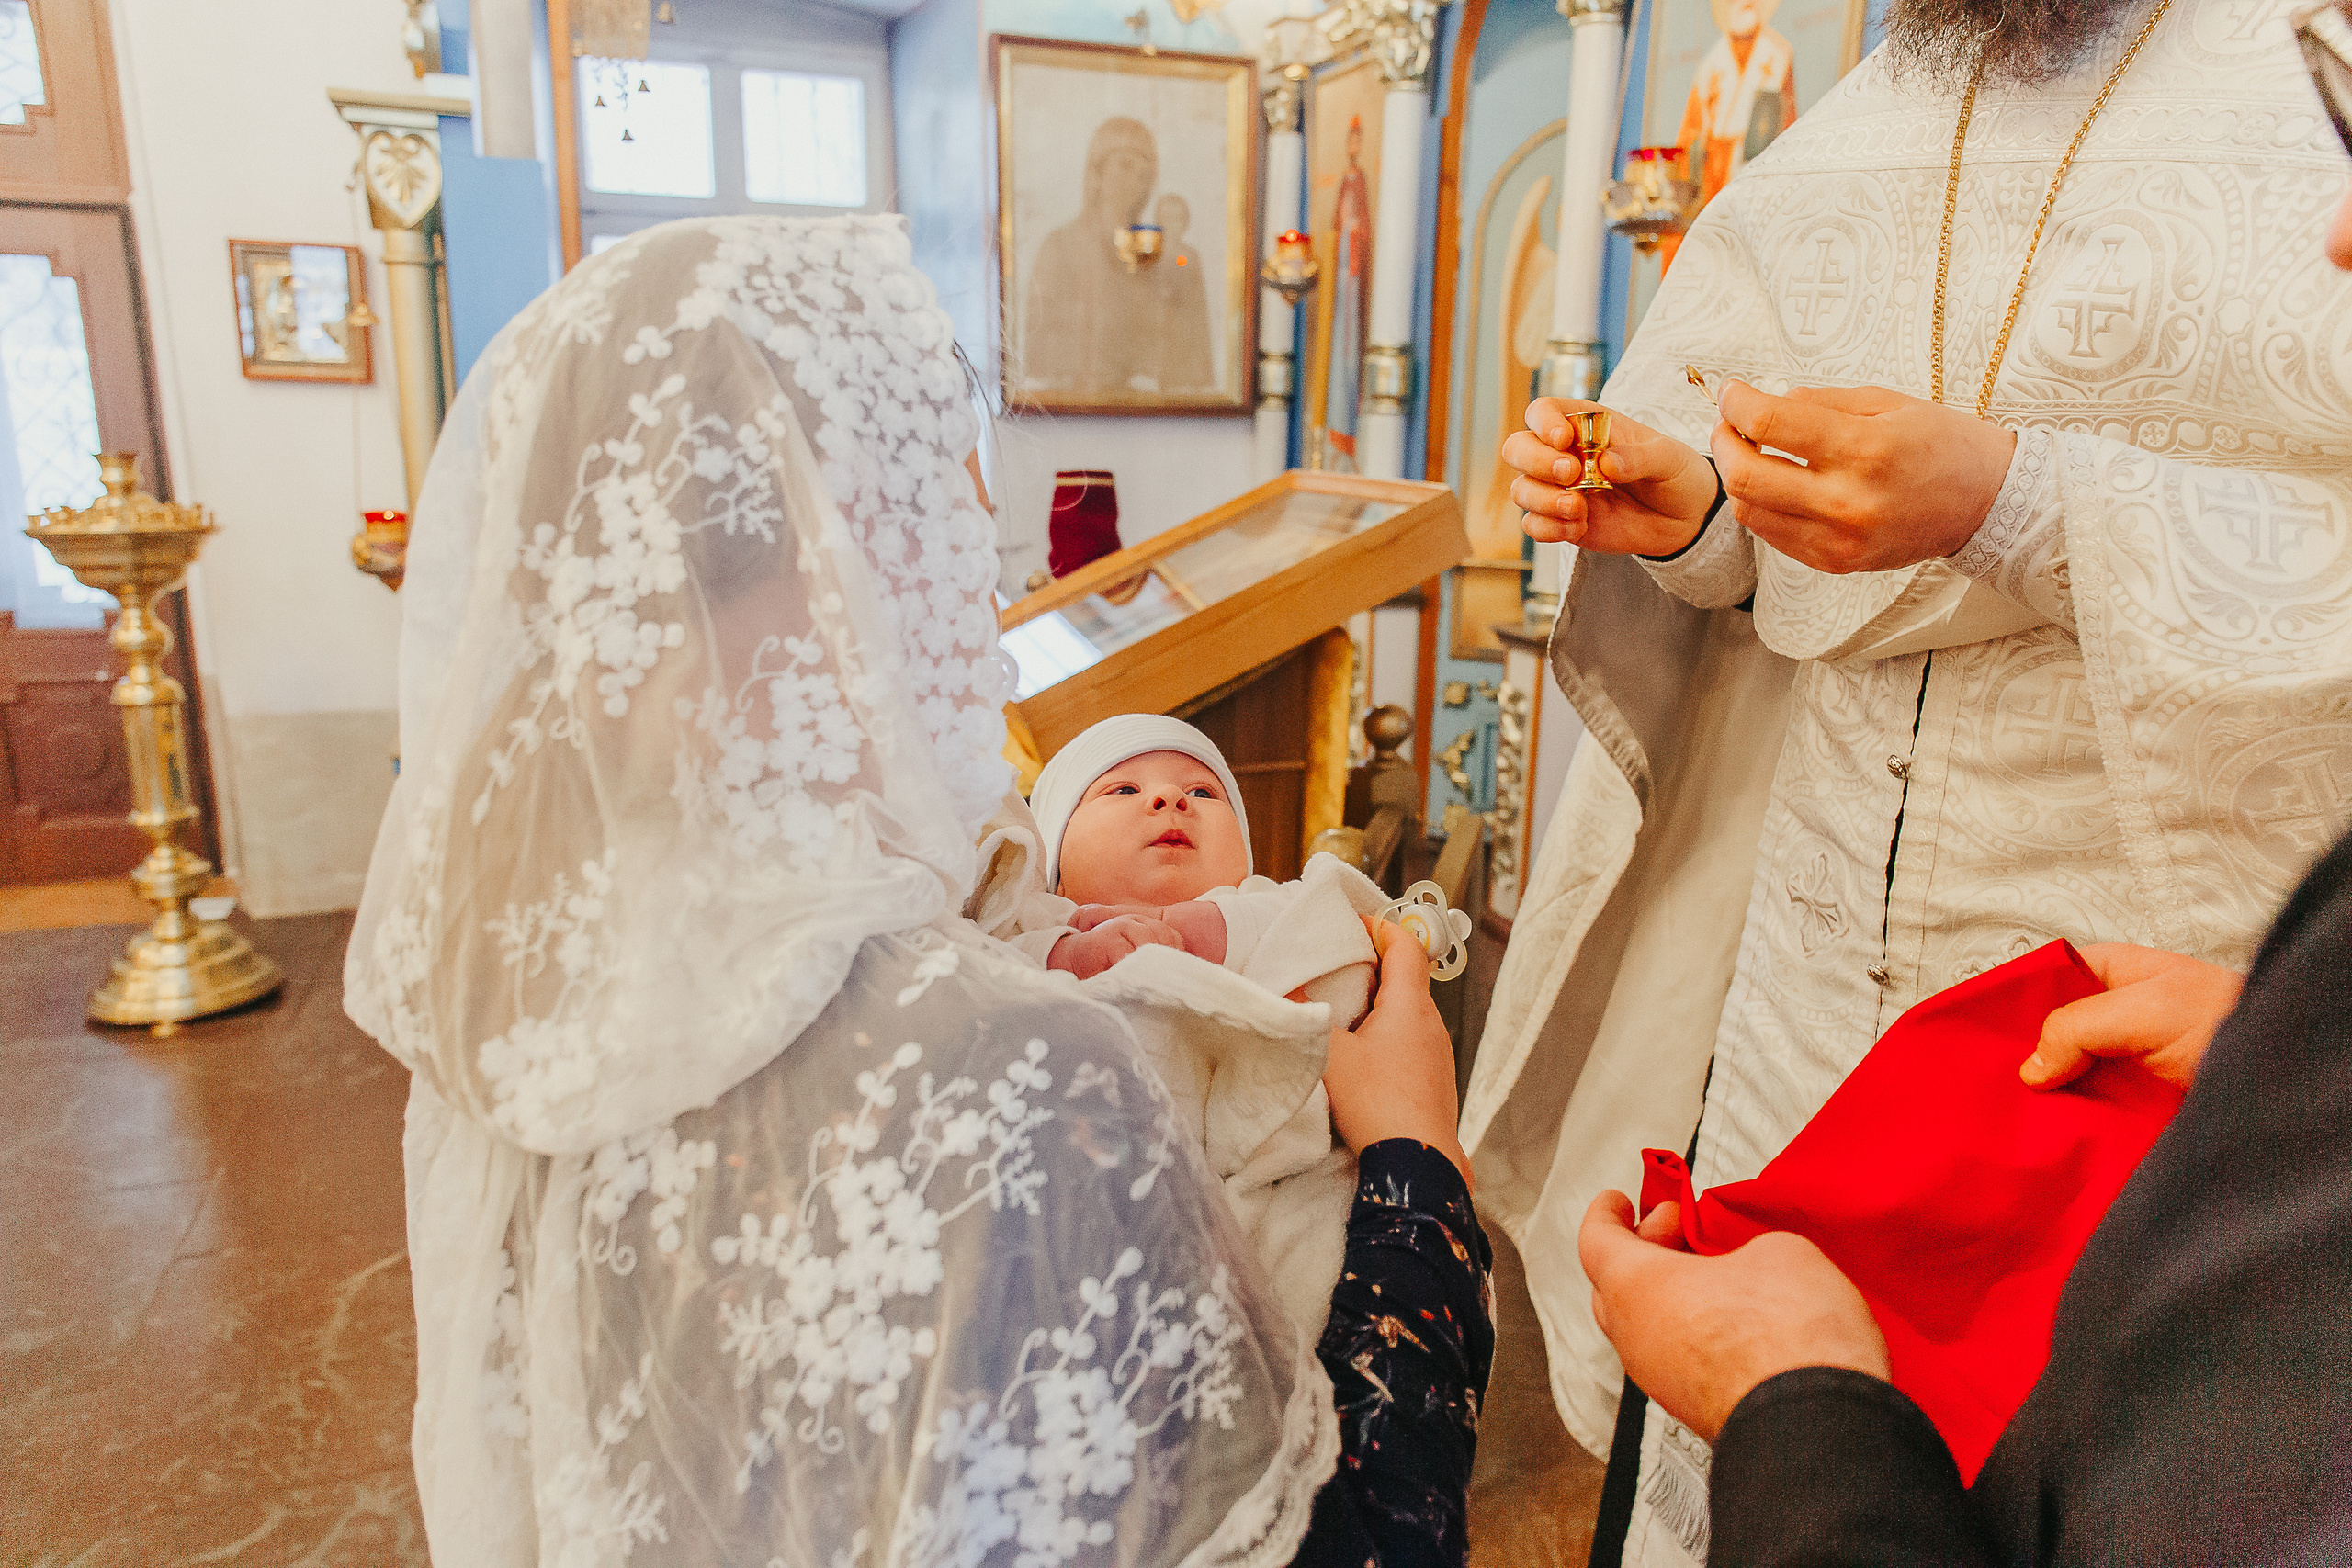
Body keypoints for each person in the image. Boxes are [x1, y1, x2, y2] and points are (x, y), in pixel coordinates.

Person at [344, 214, 1491, 1567]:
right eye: (945, 550)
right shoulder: (1019, 1070)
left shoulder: (524, 969)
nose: (974, 634)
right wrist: (1419, 1161)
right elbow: (1362, 1546)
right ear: (831, 572)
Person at [1470, 1, 2352, 1561]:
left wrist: (2022, 499)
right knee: (1758, 1423)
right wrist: (1696, 514)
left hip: (2095, 975)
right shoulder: (1888, 97)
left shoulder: (2299, 84)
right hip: (1801, 988)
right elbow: (1771, 550)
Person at [1656, 0, 1798, 276]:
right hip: (1712, 175)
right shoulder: (1711, 65)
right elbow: (1690, 135)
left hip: (1757, 175)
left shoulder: (1778, 55)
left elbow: (1786, 129)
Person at [1323, 115, 1373, 468]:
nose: (1353, 147)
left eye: (1358, 141)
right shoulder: (1345, 180)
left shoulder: (1361, 182)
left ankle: (1349, 446)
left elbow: (1362, 227)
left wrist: (1353, 235)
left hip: (1354, 278)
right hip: (1340, 278)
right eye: (1349, 141)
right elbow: (1335, 227)